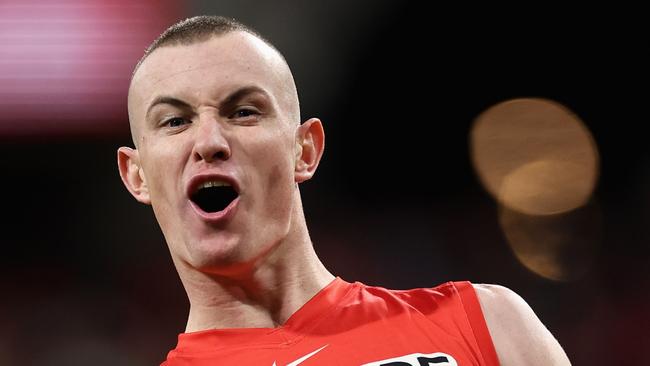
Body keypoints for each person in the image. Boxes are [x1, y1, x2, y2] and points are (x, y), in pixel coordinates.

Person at [117, 15, 571, 365]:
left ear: (305, 150)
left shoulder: (487, 325)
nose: (211, 142)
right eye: (175, 121)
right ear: (136, 175)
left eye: (244, 112)